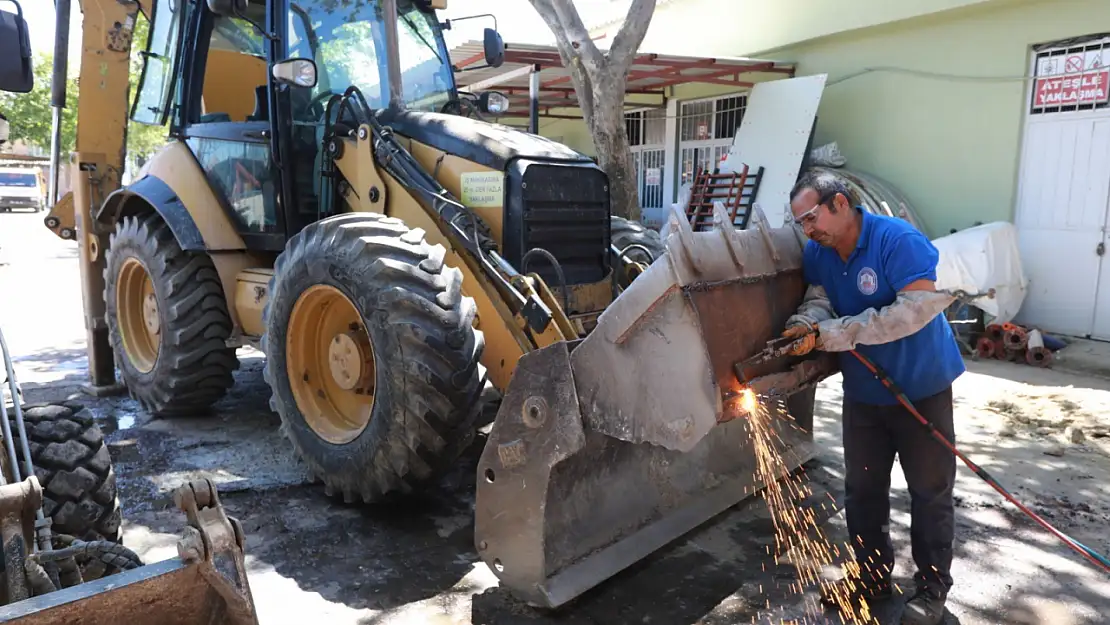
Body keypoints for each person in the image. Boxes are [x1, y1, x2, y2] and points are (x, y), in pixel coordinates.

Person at [782, 170, 965, 625]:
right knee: (863, 490)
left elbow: (914, 311)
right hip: (864, 394)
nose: (809, 230)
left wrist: (838, 332)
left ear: (841, 203)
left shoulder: (897, 240)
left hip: (921, 389)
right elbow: (820, 295)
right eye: (801, 223)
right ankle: (871, 575)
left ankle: (932, 589)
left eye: (811, 218)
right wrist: (809, 322)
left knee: (930, 491)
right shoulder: (819, 252)